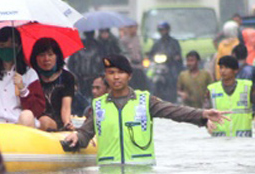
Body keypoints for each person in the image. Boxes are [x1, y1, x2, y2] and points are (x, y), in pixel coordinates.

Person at [63, 55, 228, 165]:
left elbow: (174, 111)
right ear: (106, 76)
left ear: (130, 76)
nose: (116, 77)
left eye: (121, 72)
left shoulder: (145, 100)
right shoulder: (98, 105)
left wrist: (202, 114)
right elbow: (86, 133)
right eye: (111, 73)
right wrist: (76, 137)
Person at [29, 37, 75, 131]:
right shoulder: (31, 77)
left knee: (44, 121)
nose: (46, 59)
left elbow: (66, 107)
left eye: (50, 55)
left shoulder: (67, 77)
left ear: (57, 56)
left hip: (56, 124)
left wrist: (67, 122)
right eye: (42, 55)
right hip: (33, 121)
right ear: (35, 58)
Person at [206, 56, 254, 137]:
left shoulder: (247, 87)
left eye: (227, 68)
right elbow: (204, 111)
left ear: (235, 70)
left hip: (243, 141)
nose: (223, 71)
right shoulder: (212, 90)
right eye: (221, 68)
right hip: (219, 142)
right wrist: (207, 121)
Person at [147, 21, 183, 102]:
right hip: (159, 67)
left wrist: (173, 57)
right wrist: (149, 56)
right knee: (151, 77)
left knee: (173, 77)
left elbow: (178, 55)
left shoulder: (174, 42)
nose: (162, 32)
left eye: (164, 30)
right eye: (161, 30)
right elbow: (152, 53)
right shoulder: (157, 43)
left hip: (170, 66)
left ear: (168, 30)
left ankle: (173, 96)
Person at [68, 31, 103, 98]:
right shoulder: (99, 45)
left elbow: (71, 64)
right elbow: (71, 64)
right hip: (83, 78)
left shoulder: (98, 46)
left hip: (89, 78)